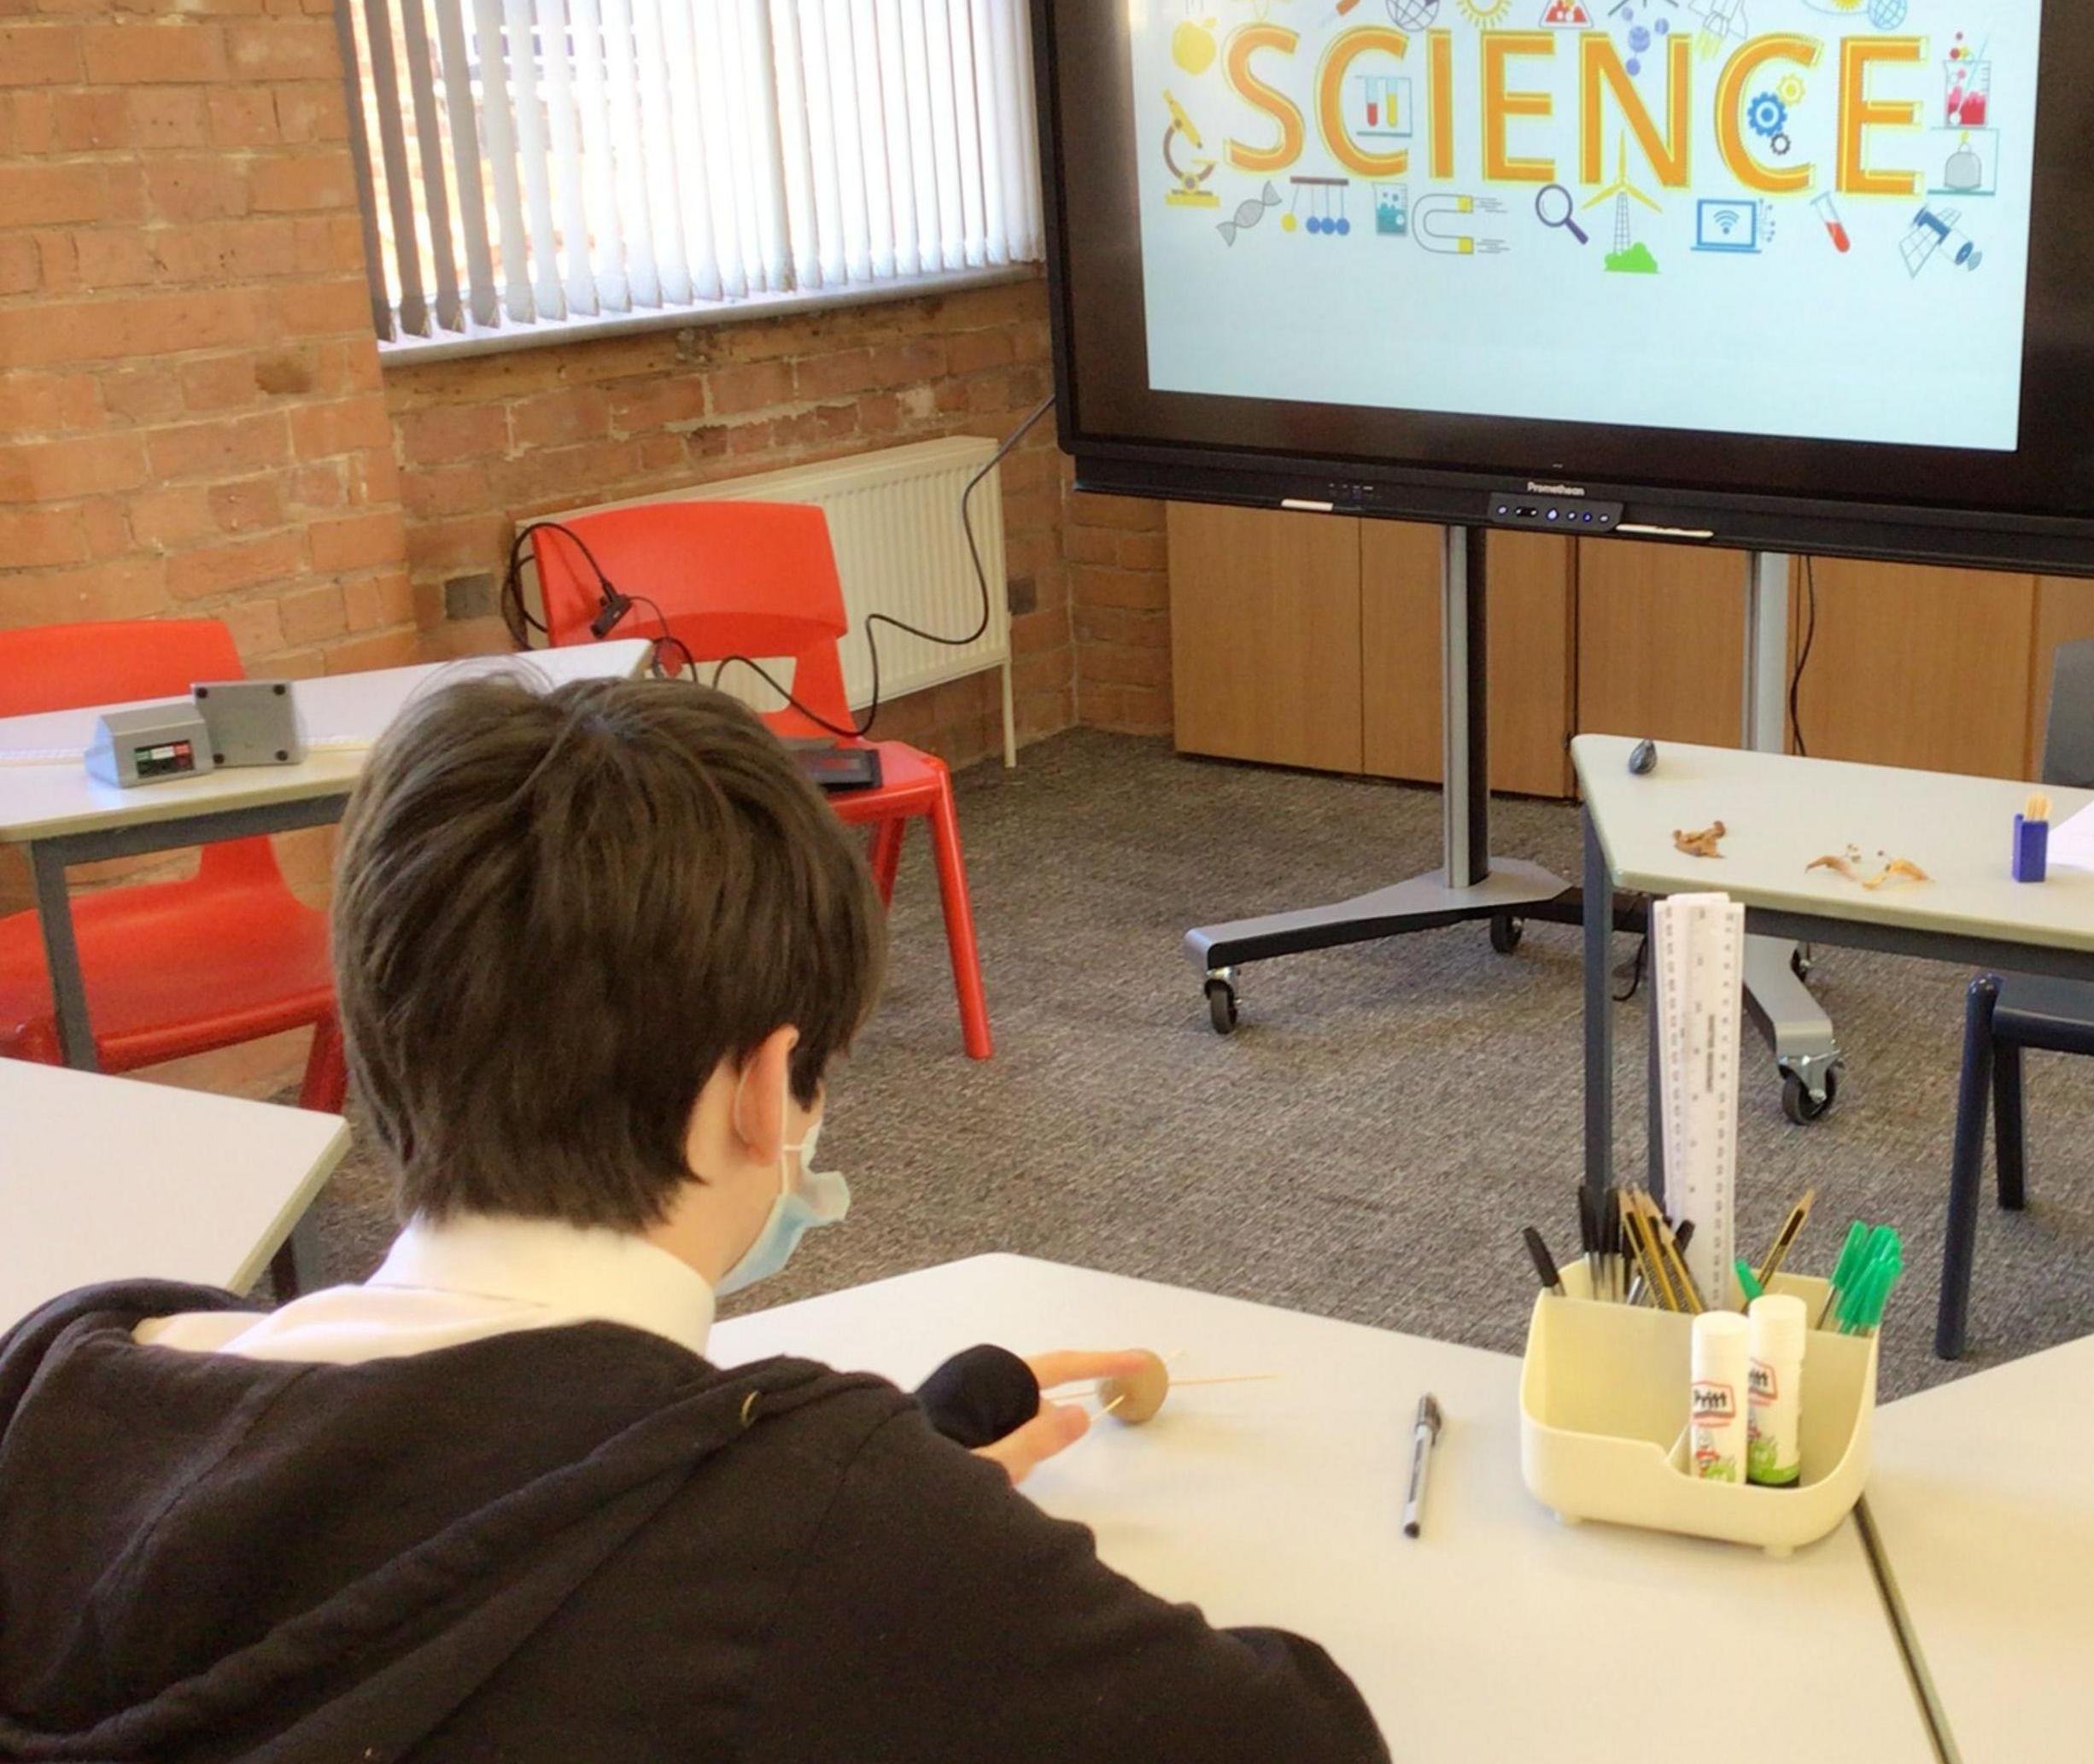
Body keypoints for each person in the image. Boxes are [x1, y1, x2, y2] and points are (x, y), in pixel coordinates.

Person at [0, 674, 1387, 1762]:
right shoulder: (818, 1522)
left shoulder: (65, 1380)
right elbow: (1300, 1740)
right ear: (764, 1091)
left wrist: (878, 1497)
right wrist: (894, 1533)